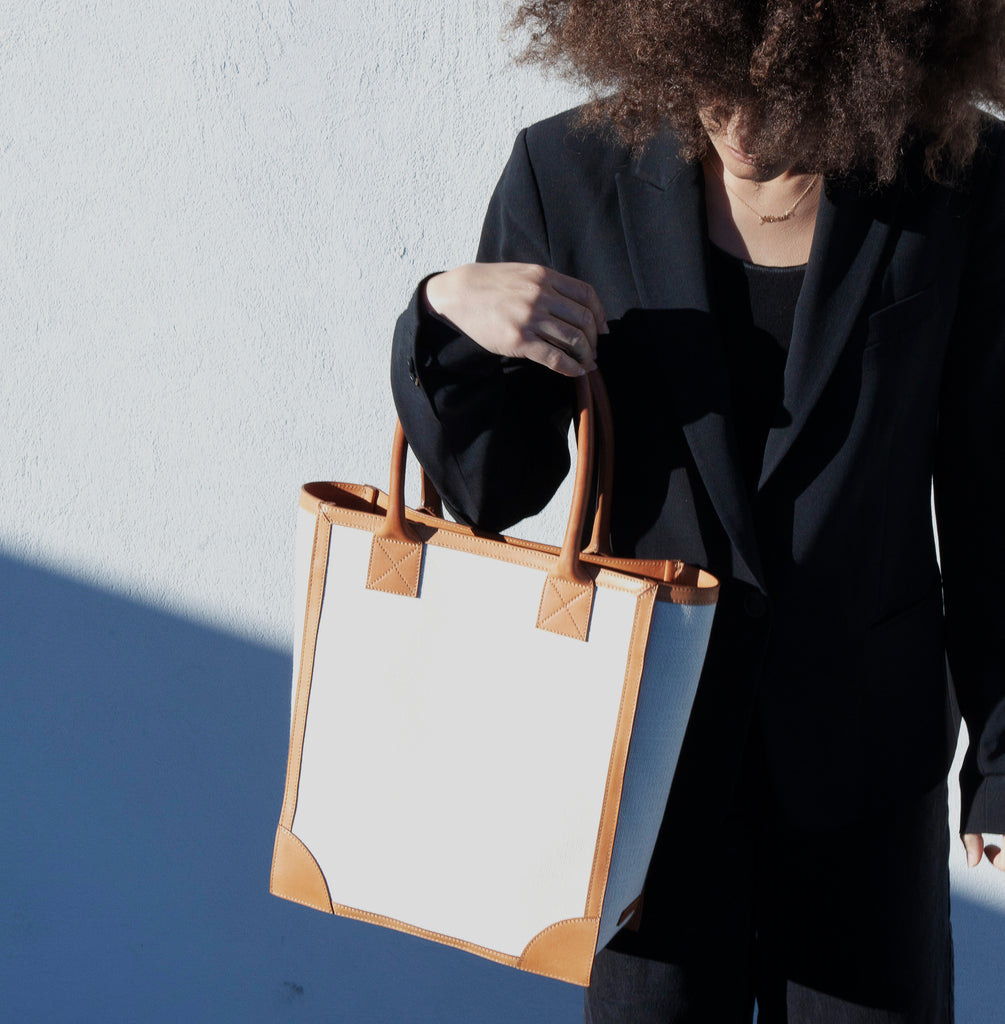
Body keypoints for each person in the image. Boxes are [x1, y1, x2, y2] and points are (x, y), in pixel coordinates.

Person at [389, 1, 1005, 1020]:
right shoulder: (566, 172)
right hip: (642, 778)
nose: (745, 128)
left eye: (783, 92)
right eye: (719, 88)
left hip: (864, 770)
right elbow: (495, 487)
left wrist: (998, 755)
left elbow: (988, 485)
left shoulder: (958, 178)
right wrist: (450, 320)